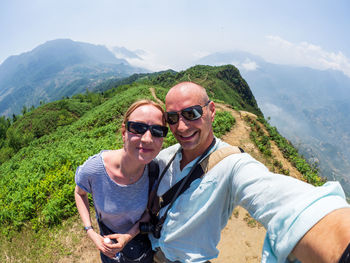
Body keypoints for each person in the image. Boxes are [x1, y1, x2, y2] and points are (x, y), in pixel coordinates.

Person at [149, 81, 350, 263]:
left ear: (211, 110)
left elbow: (282, 199)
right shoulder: (164, 158)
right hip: (151, 251)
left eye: (191, 114)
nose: (181, 126)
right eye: (172, 118)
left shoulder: (233, 165)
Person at [74, 99, 168, 263]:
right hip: (108, 246)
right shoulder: (95, 169)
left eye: (157, 131)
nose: (147, 139)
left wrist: (127, 237)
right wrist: (90, 231)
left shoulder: (154, 170)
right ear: (124, 131)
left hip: (142, 245)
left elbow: (148, 213)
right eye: (138, 128)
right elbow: (79, 192)